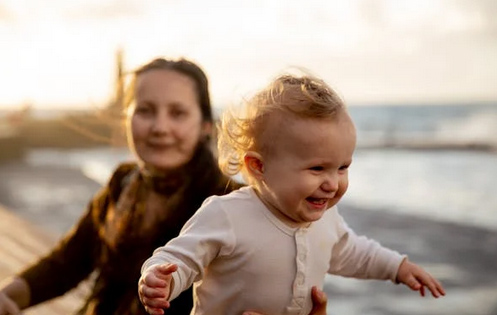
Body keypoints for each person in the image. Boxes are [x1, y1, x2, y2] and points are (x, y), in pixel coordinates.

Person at [138, 73, 446, 315]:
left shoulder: (327, 220)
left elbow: (352, 252)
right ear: (259, 166)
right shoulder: (227, 215)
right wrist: (161, 279)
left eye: (342, 168)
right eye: (317, 169)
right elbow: (181, 257)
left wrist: (397, 267)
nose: (332, 183)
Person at [0, 57, 246, 315]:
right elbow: (68, 263)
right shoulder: (123, 182)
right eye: (145, 110)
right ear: (126, 119)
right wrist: (7, 295)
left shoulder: (232, 201)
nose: (160, 127)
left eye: (178, 113)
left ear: (205, 126)